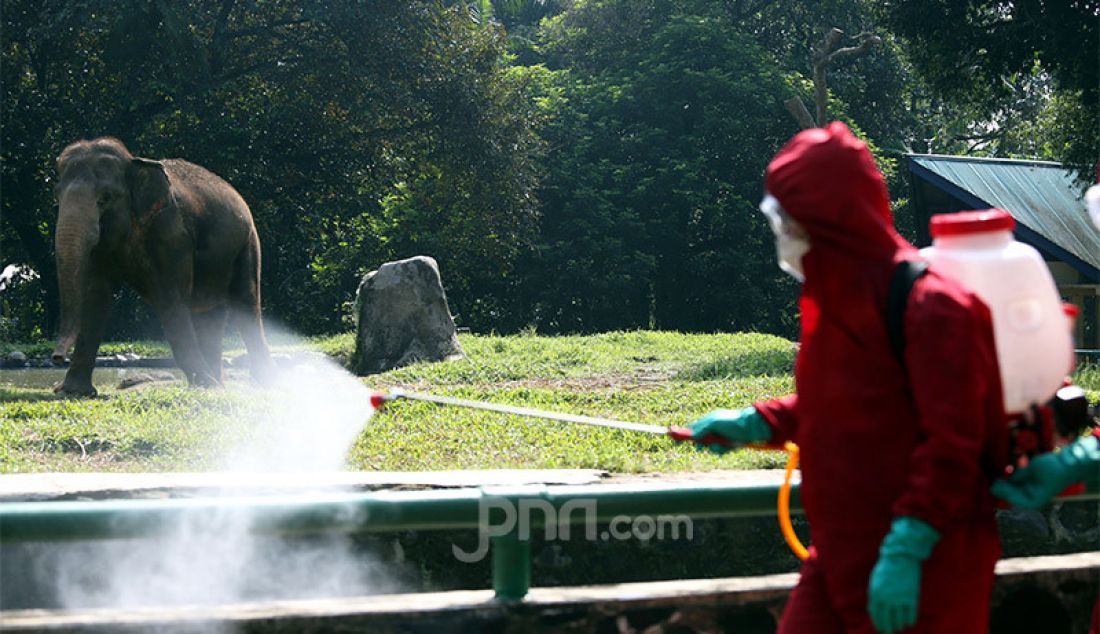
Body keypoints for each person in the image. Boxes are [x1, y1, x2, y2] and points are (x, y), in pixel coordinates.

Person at [690, 122, 1008, 633]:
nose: (784, 235)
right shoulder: (832, 300)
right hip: (839, 557)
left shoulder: (933, 308)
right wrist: (759, 422)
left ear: (828, 220)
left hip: (927, 566)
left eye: (790, 221)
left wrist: (908, 548)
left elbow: (954, 444)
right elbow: (846, 405)